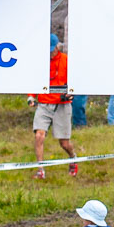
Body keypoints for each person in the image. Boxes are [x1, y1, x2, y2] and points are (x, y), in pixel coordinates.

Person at [28, 35, 77, 179]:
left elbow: (74, 84)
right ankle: (40, 169)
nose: (50, 53)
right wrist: (31, 96)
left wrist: (70, 94)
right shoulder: (41, 62)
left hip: (62, 106)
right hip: (44, 104)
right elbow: (35, 80)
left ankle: (73, 159)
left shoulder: (66, 61)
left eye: (52, 50)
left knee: (64, 143)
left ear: (57, 47)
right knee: (39, 136)